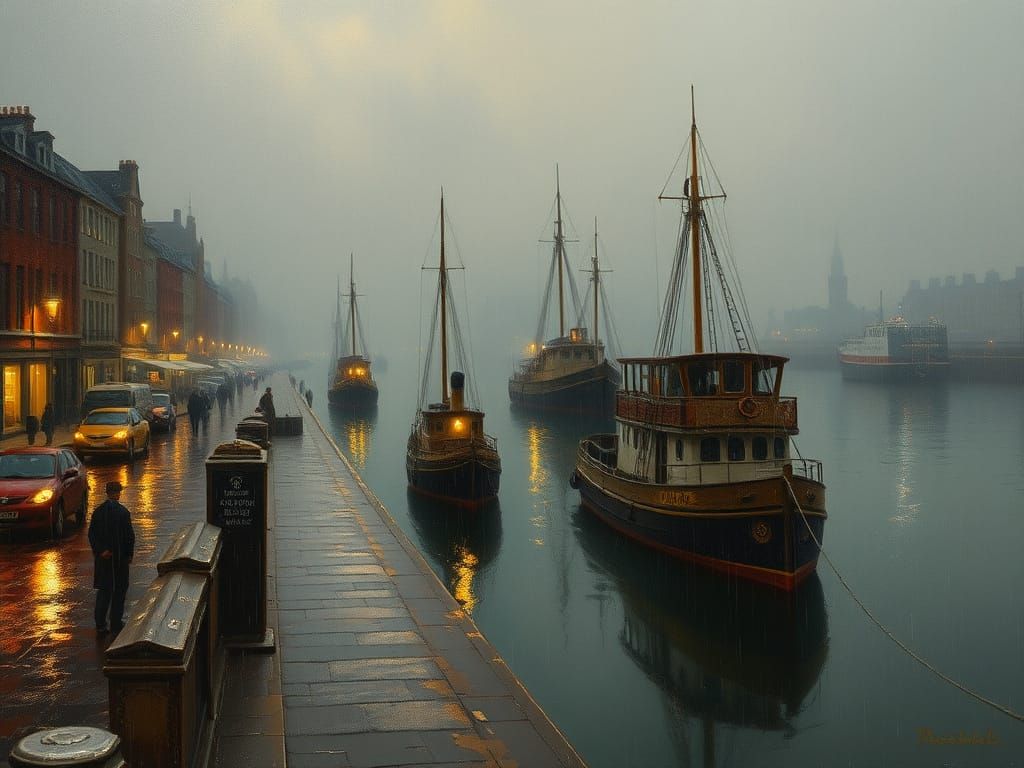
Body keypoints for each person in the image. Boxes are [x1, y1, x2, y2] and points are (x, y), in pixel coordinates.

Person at [88, 480, 135, 636]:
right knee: (119, 591)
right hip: (119, 560)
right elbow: (129, 537)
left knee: (104, 592)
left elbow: (92, 535)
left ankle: (101, 625)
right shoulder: (123, 513)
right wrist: (129, 555)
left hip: (103, 560)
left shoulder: (98, 512)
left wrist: (101, 551)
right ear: (117, 493)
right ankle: (116, 622)